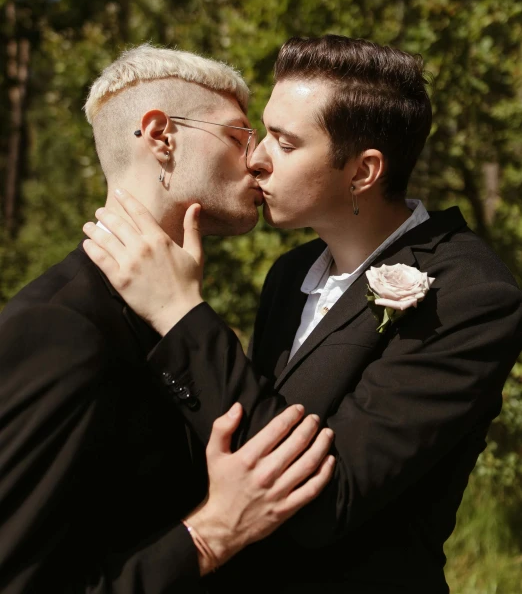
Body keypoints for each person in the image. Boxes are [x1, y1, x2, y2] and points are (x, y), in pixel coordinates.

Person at [84, 36, 522, 594]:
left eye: (286, 145)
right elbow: (247, 425)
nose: (256, 157)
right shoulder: (290, 274)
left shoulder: (470, 295)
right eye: (263, 131)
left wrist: (180, 312)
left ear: (362, 172)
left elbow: (327, 500)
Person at [0, 44, 335, 594]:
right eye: (237, 137)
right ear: (160, 136)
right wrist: (208, 536)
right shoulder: (61, 327)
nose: (256, 160)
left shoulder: (178, 315)